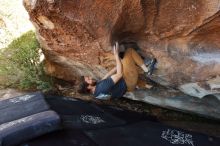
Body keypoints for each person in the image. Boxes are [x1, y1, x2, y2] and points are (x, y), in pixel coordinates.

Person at [78, 42, 157, 100]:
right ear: (88, 86)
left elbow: (105, 77)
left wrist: (119, 64)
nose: (90, 77)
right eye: (88, 79)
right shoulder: (102, 87)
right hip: (129, 82)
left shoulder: (95, 93)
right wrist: (116, 56)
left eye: (88, 77)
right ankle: (147, 69)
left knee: (123, 67)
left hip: (128, 89)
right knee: (129, 52)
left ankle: (147, 86)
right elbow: (119, 75)